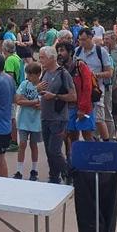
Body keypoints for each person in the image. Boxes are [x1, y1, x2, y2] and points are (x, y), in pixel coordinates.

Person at [37, 45, 77, 184]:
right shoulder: (45, 72)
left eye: (42, 57)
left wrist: (54, 96)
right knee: (49, 151)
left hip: (58, 118)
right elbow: (41, 90)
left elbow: (73, 96)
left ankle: (70, 173)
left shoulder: (63, 74)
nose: (40, 60)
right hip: (45, 116)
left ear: (51, 58)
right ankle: (54, 177)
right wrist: (38, 88)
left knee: (54, 150)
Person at [75, 28, 112, 140]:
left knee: (99, 119)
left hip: (96, 90)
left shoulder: (101, 52)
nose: (82, 42)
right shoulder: (77, 51)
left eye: (84, 39)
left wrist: (94, 75)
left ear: (91, 38)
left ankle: (106, 142)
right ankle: (90, 142)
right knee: (85, 118)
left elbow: (109, 72)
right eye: (80, 40)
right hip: (82, 92)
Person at [57, 41, 95, 145]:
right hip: (69, 106)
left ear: (70, 52)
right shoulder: (61, 68)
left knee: (87, 135)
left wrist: (83, 108)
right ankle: (72, 158)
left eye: (62, 50)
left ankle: (91, 158)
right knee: (71, 135)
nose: (59, 53)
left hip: (83, 105)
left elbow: (87, 88)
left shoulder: (80, 65)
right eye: (58, 51)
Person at [13, 62, 42, 180]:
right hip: (23, 120)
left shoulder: (42, 85)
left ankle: (34, 170)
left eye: (31, 75)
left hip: (36, 121)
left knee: (33, 145)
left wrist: (28, 101)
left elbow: (40, 104)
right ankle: (19, 170)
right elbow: (18, 100)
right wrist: (33, 102)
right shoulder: (25, 84)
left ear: (38, 75)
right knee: (22, 144)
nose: (28, 78)